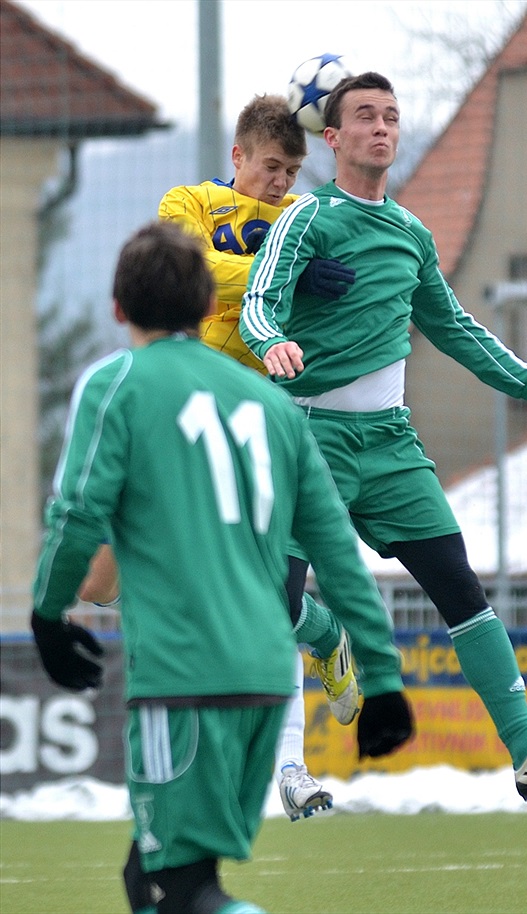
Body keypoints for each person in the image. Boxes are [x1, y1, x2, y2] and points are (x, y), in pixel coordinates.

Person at [240, 71, 527, 801]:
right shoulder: (306, 218)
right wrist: (271, 341)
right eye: (366, 117)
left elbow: (456, 328)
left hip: (391, 444)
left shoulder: (411, 234)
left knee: (461, 588)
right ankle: (289, 765)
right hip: (311, 441)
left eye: (392, 117)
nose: (382, 127)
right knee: (276, 602)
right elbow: (258, 301)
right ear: (334, 138)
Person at [30, 221, 413, 914]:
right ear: (212, 308)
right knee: (149, 882)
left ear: (118, 308)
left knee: (181, 891)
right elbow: (335, 549)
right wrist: (382, 677)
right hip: (267, 678)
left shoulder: (117, 384)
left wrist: (48, 614)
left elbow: (78, 514)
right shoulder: (272, 403)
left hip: (183, 676)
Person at [83, 94, 359, 823]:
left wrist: (306, 281)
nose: (281, 182)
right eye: (271, 166)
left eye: (293, 171)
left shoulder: (307, 222)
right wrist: (277, 278)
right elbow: (190, 275)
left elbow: (323, 306)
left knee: (256, 598)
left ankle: (290, 770)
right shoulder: (192, 203)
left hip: (251, 424)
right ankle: (321, 630)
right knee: (100, 585)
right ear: (238, 158)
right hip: (172, 412)